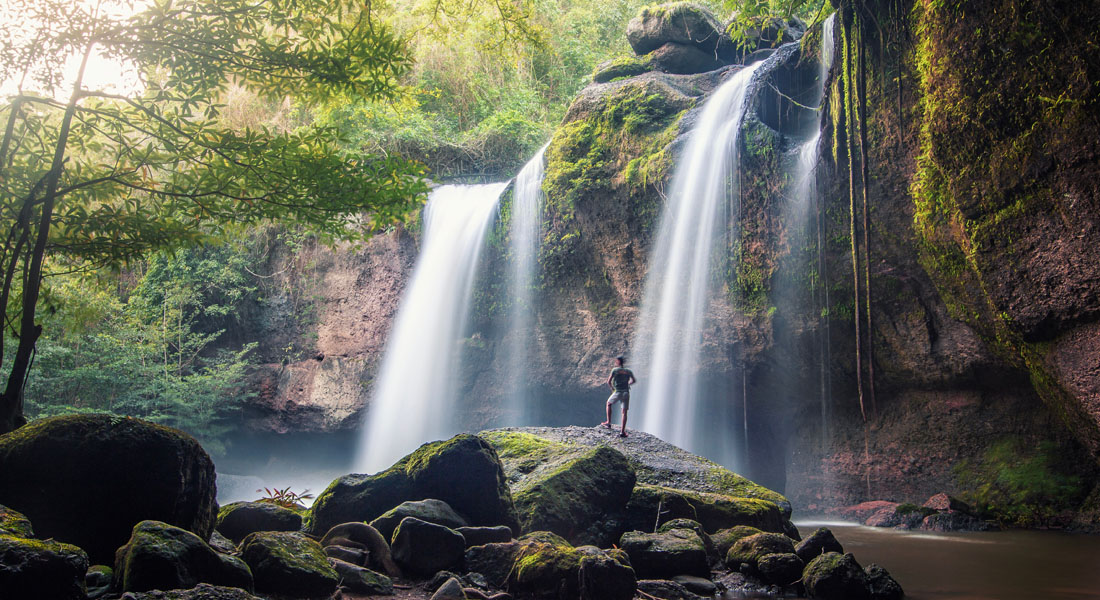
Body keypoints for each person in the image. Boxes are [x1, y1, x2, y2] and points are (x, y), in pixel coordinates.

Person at [601, 355, 635, 437]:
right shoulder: (628, 371)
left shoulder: (615, 370)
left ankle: (608, 423)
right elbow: (633, 380)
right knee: (624, 412)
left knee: (608, 404)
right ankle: (622, 432)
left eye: (616, 361)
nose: (615, 362)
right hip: (626, 392)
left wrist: (612, 388)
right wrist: (627, 384)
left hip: (618, 392)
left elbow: (608, 381)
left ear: (619, 362)